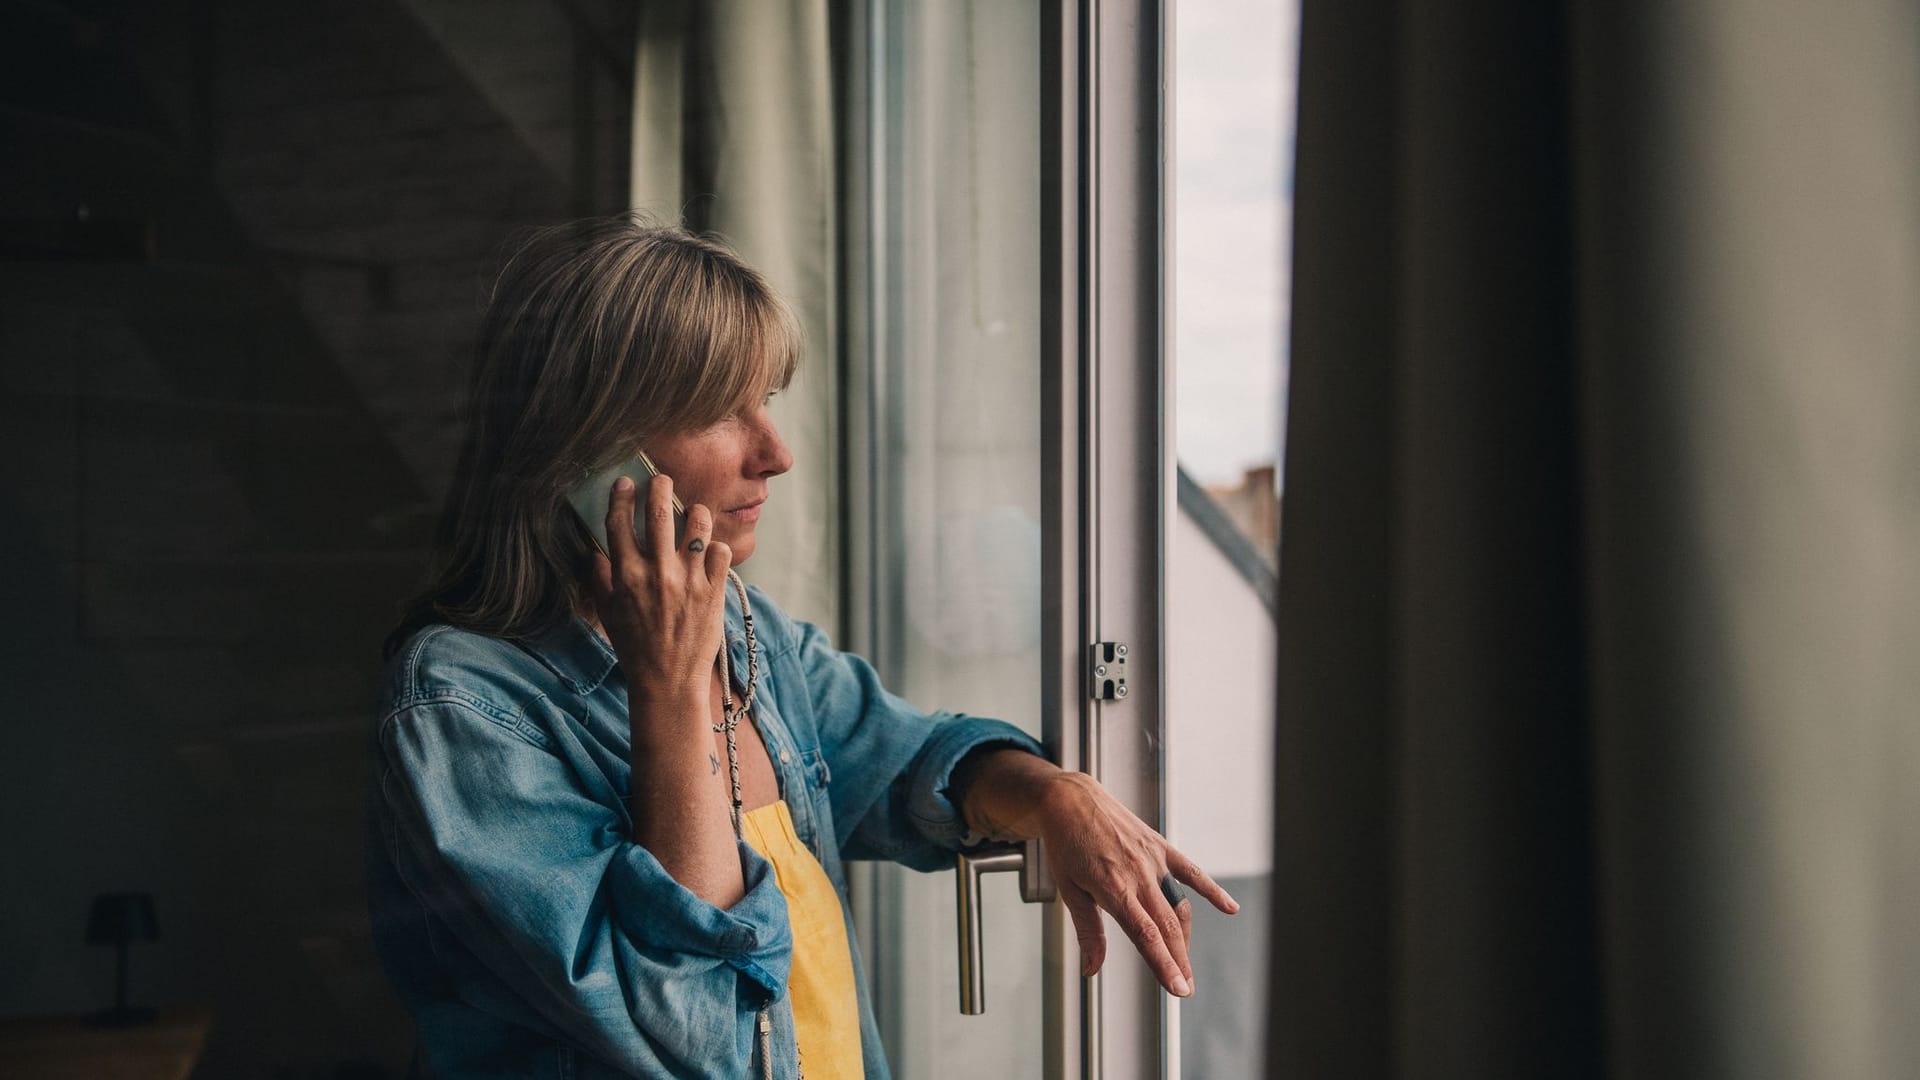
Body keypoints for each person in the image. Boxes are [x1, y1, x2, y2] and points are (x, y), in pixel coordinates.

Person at [365, 215, 1237, 1079]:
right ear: (590, 452)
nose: (775, 454)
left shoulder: (752, 634)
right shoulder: (461, 706)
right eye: (715, 411)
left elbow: (905, 762)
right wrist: (667, 687)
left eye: (766, 401)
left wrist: (1057, 796)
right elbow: (694, 1036)